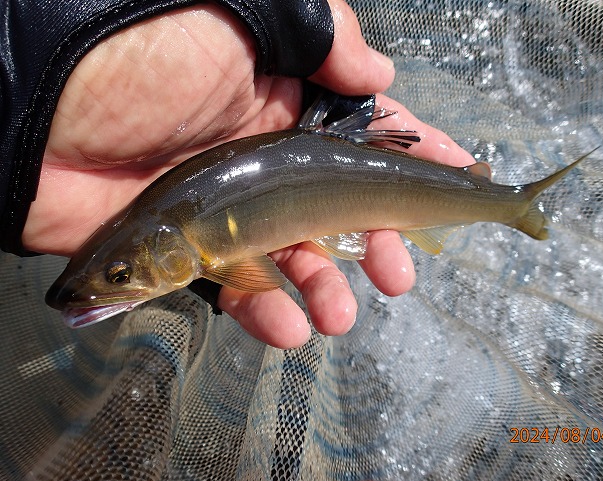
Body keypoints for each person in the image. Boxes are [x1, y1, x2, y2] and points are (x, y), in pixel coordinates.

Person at [1, 0, 475, 348]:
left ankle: (498, 200)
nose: (117, 281)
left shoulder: (161, 214)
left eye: (120, 275)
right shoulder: (153, 211)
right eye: (118, 274)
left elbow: (255, 276)